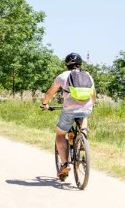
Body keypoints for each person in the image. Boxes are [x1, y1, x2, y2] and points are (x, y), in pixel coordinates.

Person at [40, 53, 96, 181]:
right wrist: (92, 105)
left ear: (67, 64)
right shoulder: (88, 76)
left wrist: (44, 104)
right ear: (80, 64)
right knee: (85, 113)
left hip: (70, 110)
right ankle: (82, 135)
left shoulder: (63, 76)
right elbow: (93, 94)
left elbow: (50, 93)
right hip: (86, 108)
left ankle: (64, 164)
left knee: (60, 134)